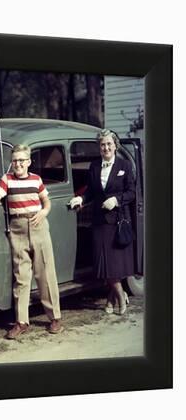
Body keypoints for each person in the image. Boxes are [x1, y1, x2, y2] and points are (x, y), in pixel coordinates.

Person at [0, 144, 63, 339]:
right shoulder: (7, 180)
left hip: (38, 226)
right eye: (15, 161)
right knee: (21, 278)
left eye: (22, 160)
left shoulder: (36, 179)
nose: (18, 164)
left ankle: (55, 318)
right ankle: (21, 322)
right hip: (17, 229)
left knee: (45, 274)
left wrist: (43, 212)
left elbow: (47, 202)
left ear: (29, 162)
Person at [69, 129, 135, 315]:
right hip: (99, 222)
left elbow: (131, 192)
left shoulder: (125, 165)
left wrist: (116, 200)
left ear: (115, 146)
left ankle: (113, 299)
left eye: (109, 144)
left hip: (118, 221)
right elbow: (91, 191)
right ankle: (119, 295)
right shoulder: (94, 166)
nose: (105, 147)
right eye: (102, 144)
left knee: (115, 264)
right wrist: (81, 199)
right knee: (103, 264)